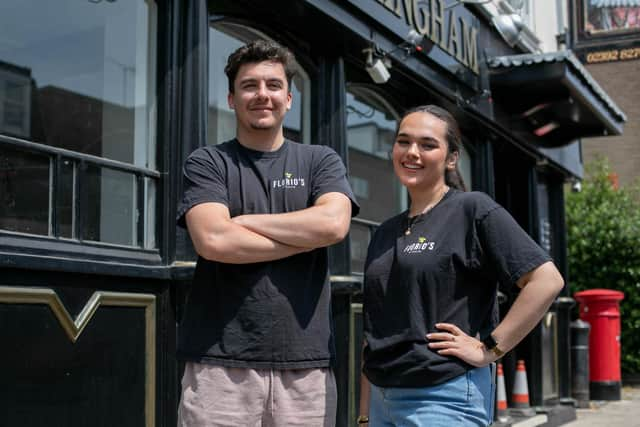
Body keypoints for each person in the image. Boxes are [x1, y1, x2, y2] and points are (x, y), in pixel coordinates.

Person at [176, 40, 359, 427]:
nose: (263, 95)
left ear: (289, 98)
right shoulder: (209, 162)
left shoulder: (320, 160)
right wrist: (304, 235)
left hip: (306, 367)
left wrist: (245, 222)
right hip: (219, 364)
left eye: (273, 85)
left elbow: (333, 225)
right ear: (231, 98)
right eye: (250, 85)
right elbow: (214, 241)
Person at [357, 105, 564, 426]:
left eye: (427, 144)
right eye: (403, 141)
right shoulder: (385, 232)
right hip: (383, 398)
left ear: (451, 158)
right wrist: (364, 414)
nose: (412, 152)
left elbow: (546, 280)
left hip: (443, 395)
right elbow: (376, 331)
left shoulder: (473, 210)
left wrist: (490, 349)